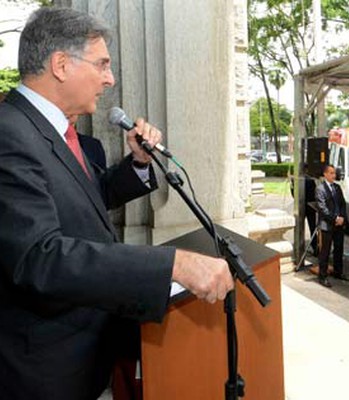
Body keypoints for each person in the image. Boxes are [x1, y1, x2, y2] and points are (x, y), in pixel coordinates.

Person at [0, 8, 234, 399]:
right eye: (102, 65)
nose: (109, 79)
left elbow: (87, 199)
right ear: (60, 64)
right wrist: (173, 263)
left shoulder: (55, 132)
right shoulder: (9, 133)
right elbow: (38, 256)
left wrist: (139, 164)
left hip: (86, 355)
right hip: (42, 372)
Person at [315, 164, 349, 287]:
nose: (333, 175)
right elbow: (322, 208)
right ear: (325, 174)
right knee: (325, 251)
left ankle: (338, 271)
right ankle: (322, 276)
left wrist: (342, 217)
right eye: (330, 173)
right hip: (327, 225)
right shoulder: (320, 189)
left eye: (334, 173)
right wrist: (334, 218)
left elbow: (342, 204)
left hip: (339, 224)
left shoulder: (337, 187)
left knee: (339, 249)